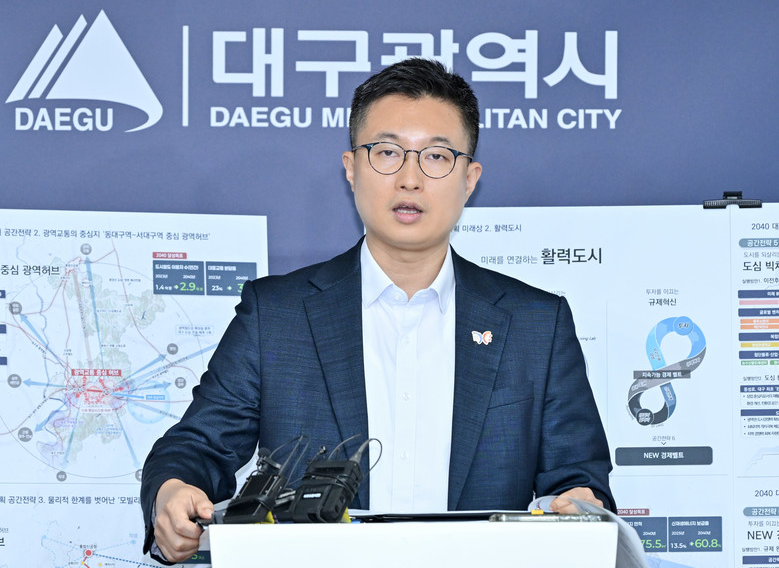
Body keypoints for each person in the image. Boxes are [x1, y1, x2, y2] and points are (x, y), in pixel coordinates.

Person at [140, 58, 615, 564]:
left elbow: (579, 480)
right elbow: (197, 447)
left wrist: (581, 507)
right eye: (387, 152)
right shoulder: (276, 316)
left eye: (437, 157)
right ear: (351, 168)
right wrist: (173, 491)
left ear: (470, 178)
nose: (410, 179)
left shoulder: (537, 325)